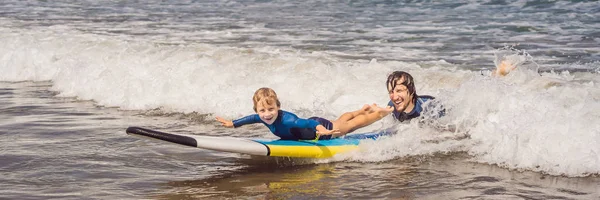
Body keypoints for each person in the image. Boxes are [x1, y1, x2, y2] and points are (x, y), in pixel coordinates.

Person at [215, 87, 387, 140]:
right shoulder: (261, 117)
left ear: (278, 107)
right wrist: (233, 123)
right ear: (257, 110)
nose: (267, 114)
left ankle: (378, 113)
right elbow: (250, 119)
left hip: (320, 130)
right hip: (316, 126)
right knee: (340, 121)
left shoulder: (290, 120)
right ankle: (361, 110)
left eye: (271, 109)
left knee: (349, 126)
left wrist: (323, 130)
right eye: (262, 110)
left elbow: (308, 124)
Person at [371, 71, 443, 122]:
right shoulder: (391, 106)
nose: (394, 97)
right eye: (391, 92)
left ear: (412, 91)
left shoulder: (429, 106)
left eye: (399, 91)